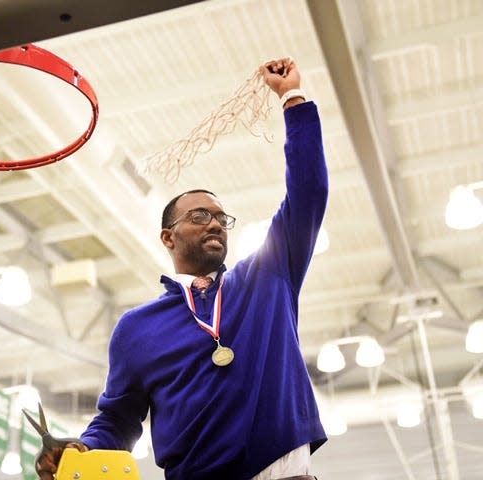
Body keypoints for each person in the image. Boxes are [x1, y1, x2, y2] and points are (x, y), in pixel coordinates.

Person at [36, 57, 328, 480]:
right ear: (168, 238)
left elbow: (309, 192)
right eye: (199, 216)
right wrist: (79, 452)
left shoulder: (268, 277)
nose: (215, 222)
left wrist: (293, 99)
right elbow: (118, 420)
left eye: (221, 218)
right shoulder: (137, 328)